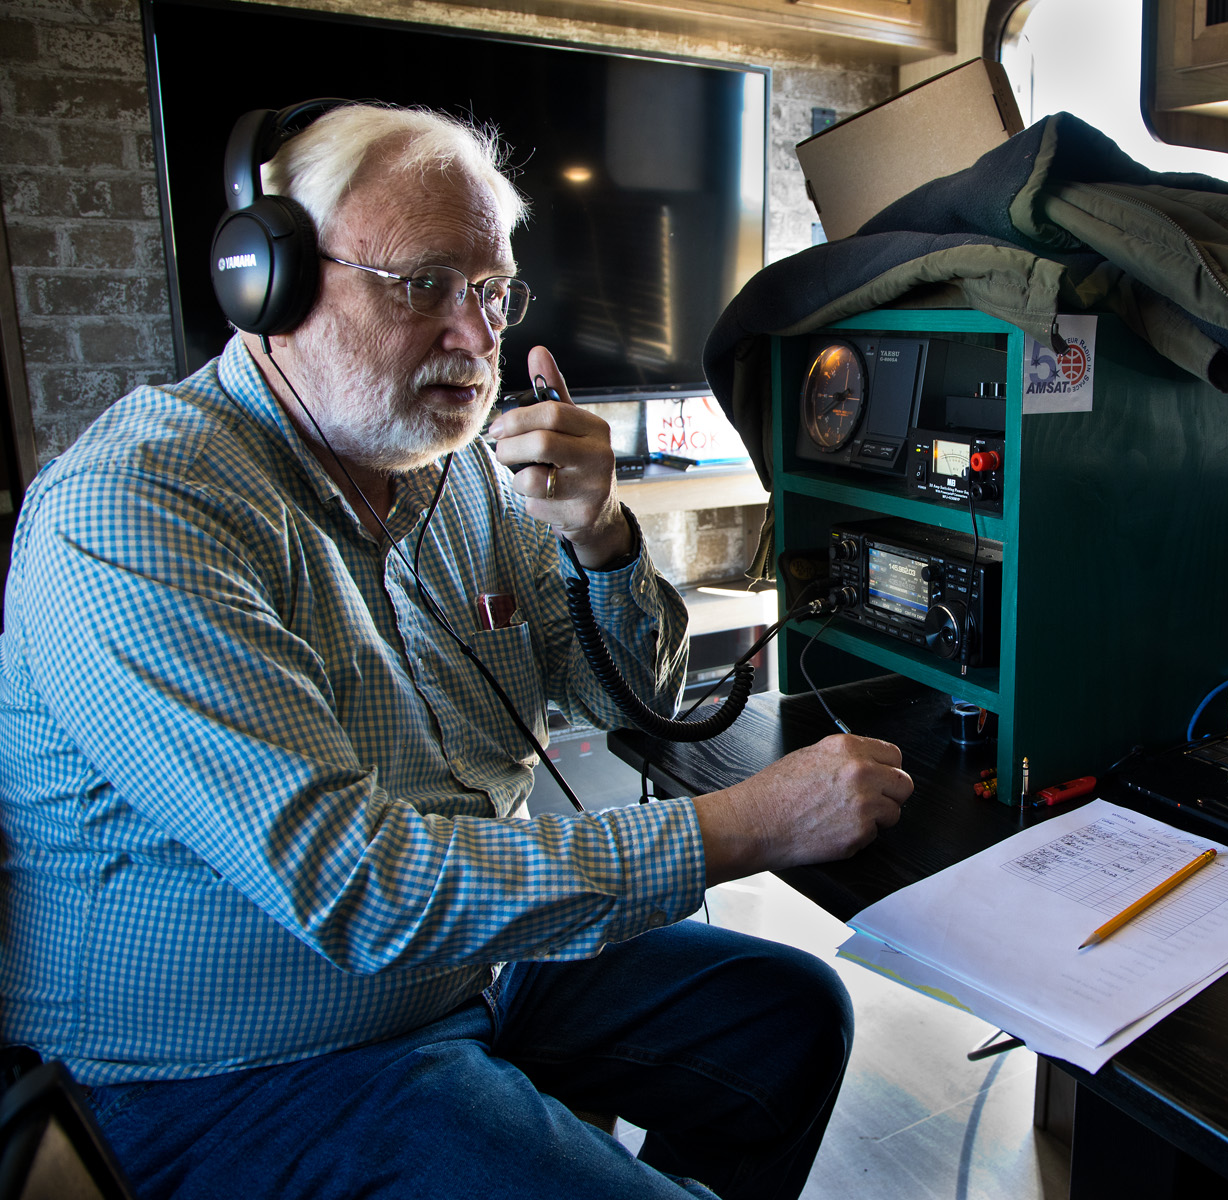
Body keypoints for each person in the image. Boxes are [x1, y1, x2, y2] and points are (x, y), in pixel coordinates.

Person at [0, 102, 912, 1199]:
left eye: (490, 291)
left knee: (787, 1018)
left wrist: (600, 534)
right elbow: (361, 888)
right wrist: (746, 825)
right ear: (270, 284)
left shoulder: (465, 473)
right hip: (225, 1068)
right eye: (423, 285)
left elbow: (642, 698)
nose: (477, 338)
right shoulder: (137, 509)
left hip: (463, 973)